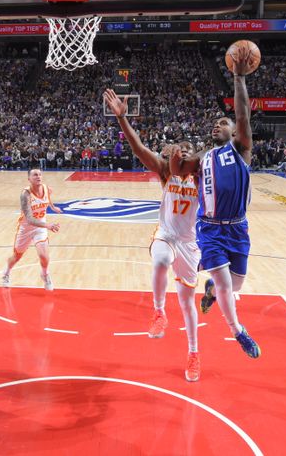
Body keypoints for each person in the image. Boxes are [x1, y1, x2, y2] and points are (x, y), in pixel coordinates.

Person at [103, 89, 202, 382]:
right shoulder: (164, 172)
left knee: (187, 304)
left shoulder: (202, 176)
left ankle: (194, 354)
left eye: (188, 147)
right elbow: (138, 149)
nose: (182, 149)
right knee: (159, 259)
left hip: (190, 244)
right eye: (178, 146)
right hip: (167, 235)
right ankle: (159, 312)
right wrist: (122, 118)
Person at [173, 46, 261, 359]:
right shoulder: (202, 157)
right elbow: (177, 171)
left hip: (238, 229)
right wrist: (176, 158)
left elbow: (242, 114)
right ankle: (238, 331)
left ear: (235, 131)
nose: (217, 124)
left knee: (233, 285)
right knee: (226, 285)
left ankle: (209, 289)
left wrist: (237, 77)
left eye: (223, 122)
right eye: (214, 123)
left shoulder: (241, 149)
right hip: (209, 229)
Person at [2, 169, 61, 290]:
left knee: (44, 256)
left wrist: (53, 207)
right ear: (29, 179)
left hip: (40, 228)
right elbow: (29, 219)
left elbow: (48, 198)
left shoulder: (45, 188)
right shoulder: (25, 194)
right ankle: (6, 273)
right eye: (35, 175)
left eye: (39, 174)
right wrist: (48, 226)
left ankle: (45, 274)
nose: (38, 176)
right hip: (26, 228)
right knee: (17, 256)